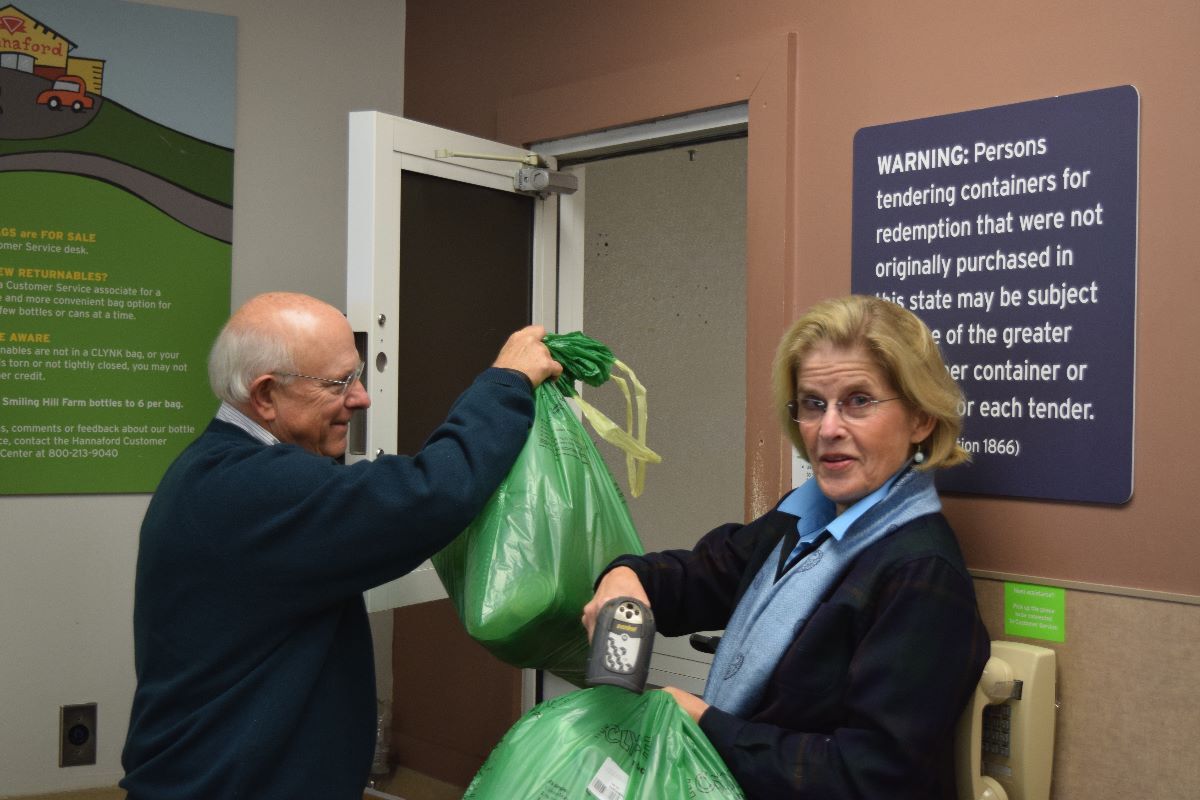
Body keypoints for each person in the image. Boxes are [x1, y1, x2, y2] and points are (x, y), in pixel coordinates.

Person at [120, 291, 561, 799]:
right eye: (340, 383)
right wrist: (506, 383)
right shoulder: (255, 489)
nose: (362, 397)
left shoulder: (213, 467)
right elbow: (429, 496)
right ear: (266, 395)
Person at [583, 294, 989, 799]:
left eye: (859, 401)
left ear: (921, 419)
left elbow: (871, 776)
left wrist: (706, 725)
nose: (829, 429)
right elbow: (703, 574)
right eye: (813, 404)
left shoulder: (920, 573)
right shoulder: (802, 518)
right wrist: (627, 577)